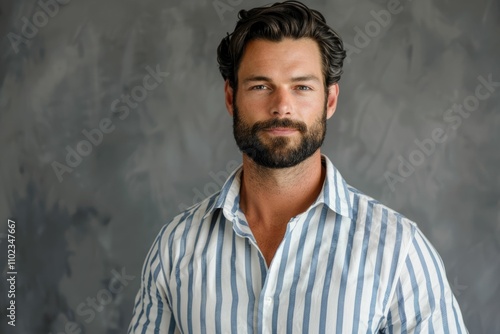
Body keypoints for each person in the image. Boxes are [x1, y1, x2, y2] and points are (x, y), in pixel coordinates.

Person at [128, 1, 468, 333]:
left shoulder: (398, 250)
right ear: (231, 98)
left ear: (330, 100)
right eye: (261, 86)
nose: (282, 107)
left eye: (302, 87)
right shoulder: (176, 246)